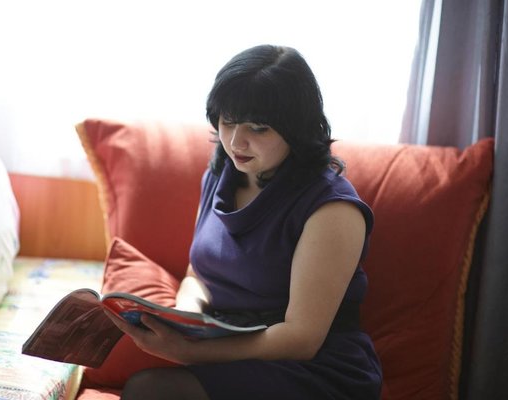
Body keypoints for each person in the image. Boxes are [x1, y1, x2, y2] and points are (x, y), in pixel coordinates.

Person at [109, 44, 383, 400]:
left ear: (297, 129)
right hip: (228, 346)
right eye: (228, 122)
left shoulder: (332, 209)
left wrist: (191, 352)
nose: (236, 142)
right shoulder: (220, 173)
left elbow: (301, 339)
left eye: (258, 128)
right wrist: (185, 317)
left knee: (151, 391)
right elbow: (198, 274)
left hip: (310, 365)